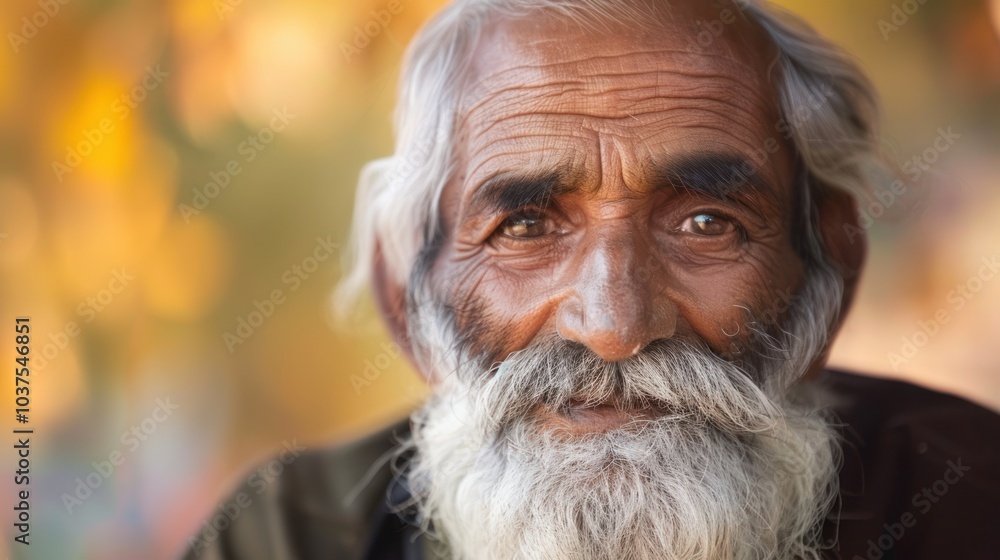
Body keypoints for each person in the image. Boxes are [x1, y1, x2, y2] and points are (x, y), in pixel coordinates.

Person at [184, 1, 1000, 558]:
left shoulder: (971, 504)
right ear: (406, 301)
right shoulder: (289, 536)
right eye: (527, 226)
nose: (614, 323)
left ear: (831, 277)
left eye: (707, 224)